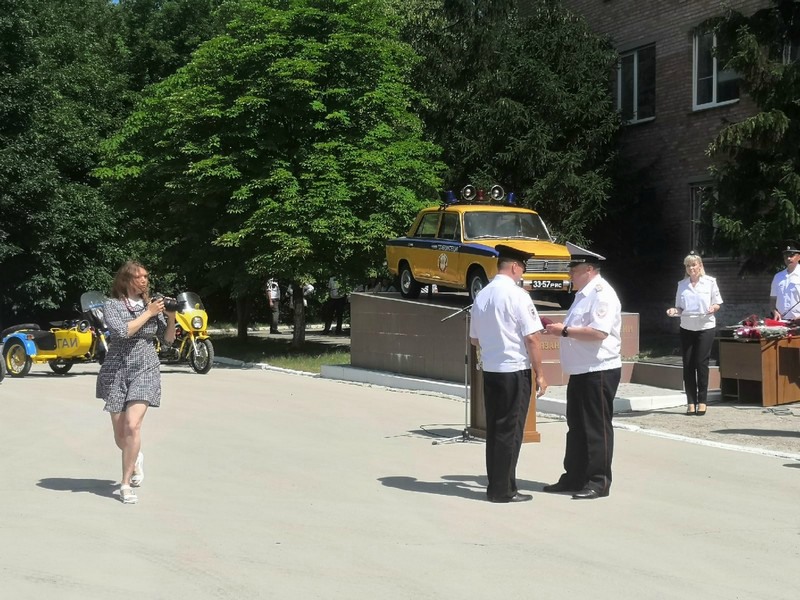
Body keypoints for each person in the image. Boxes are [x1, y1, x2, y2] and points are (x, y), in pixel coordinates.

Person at [469, 245, 547, 503]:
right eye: (522, 268)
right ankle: (503, 490)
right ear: (514, 267)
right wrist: (540, 373)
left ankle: (497, 484)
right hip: (514, 370)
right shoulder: (517, 295)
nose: (522, 273)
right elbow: (532, 338)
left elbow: (474, 339)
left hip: (492, 370)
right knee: (510, 431)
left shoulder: (482, 295)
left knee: (495, 430)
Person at [543, 243, 621, 500]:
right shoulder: (583, 294)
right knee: (576, 426)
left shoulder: (602, 293)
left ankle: (598, 481)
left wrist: (564, 331)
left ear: (589, 269)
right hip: (581, 369)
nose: (570, 274)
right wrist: (559, 329)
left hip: (599, 369)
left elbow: (599, 332)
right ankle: (575, 476)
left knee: (596, 427)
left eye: (574, 270)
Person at [96, 261, 175, 504]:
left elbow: (168, 340)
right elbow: (122, 332)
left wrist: (171, 318)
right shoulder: (113, 305)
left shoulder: (154, 305)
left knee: (132, 425)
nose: (144, 281)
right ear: (125, 280)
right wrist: (148, 313)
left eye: (146, 277)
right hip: (117, 369)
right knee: (121, 436)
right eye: (139, 277)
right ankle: (135, 456)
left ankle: (125, 484)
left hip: (145, 367)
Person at [666, 253, 722, 416]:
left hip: (705, 327)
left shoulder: (710, 282)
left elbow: (717, 303)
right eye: (688, 266)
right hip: (687, 327)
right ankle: (691, 401)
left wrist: (713, 308)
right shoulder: (682, 285)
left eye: (694, 265)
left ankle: (702, 401)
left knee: (701, 363)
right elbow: (679, 308)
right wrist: (673, 311)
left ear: (700, 266)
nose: (691, 268)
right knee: (688, 364)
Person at [770, 243, 800, 321]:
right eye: (786, 256)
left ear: (799, 257)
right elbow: (773, 298)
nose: (788, 258)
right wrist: (774, 311)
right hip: (781, 321)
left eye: (791, 255)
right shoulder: (778, 277)